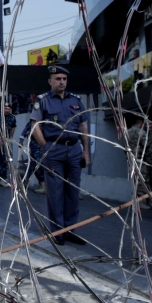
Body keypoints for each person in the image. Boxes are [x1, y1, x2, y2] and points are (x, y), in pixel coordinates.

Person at [31, 66, 90, 244]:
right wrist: (46, 147)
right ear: (50, 81)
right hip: (54, 150)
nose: (62, 82)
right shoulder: (42, 100)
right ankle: (57, 232)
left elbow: (83, 126)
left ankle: (70, 230)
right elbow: (35, 126)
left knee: (73, 191)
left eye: (64, 79)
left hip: (74, 150)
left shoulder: (76, 100)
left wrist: (86, 150)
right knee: (55, 192)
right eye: (58, 79)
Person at [17, 118, 45, 192]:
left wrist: (33, 134)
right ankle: (24, 184)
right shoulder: (32, 121)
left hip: (40, 148)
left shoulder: (45, 121)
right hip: (32, 148)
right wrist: (21, 140)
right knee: (31, 166)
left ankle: (43, 185)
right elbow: (26, 129)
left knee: (38, 166)